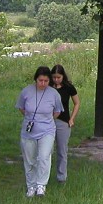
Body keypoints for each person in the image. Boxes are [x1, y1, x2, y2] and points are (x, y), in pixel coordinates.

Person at [15, 66, 63, 197]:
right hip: (29, 130)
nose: (43, 84)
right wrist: (31, 118)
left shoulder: (54, 94)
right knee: (30, 159)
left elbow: (57, 111)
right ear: (36, 79)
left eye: (46, 81)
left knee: (43, 157)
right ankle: (31, 186)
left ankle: (41, 185)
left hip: (47, 130)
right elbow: (21, 107)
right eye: (40, 80)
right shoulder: (26, 91)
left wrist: (46, 121)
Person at [50, 64, 80, 184]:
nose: (56, 80)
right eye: (54, 77)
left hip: (63, 122)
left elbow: (77, 103)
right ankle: (43, 178)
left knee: (62, 150)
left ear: (63, 76)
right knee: (47, 150)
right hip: (48, 122)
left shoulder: (68, 87)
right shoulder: (48, 87)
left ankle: (61, 177)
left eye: (58, 77)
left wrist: (72, 118)